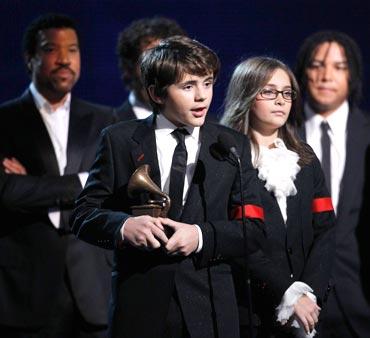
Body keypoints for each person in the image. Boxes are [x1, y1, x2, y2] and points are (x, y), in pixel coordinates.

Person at [71, 36, 265, 338]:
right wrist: (124, 226)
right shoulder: (120, 139)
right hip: (140, 305)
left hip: (210, 307)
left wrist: (200, 236)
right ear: (156, 93)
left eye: (208, 83)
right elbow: (83, 214)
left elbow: (254, 229)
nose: (202, 96)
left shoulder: (230, 145)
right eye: (188, 87)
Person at [0, 13, 116, 337]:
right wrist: (85, 180)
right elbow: (7, 191)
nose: (64, 59)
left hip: (94, 290)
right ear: (30, 58)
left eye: (73, 50)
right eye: (52, 49)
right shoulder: (5, 120)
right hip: (24, 293)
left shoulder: (105, 118)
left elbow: (114, 189)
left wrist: (33, 184)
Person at [221, 56, 336, 337]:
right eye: (269, 92)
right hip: (249, 312)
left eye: (287, 93)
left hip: (305, 312)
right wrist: (287, 292)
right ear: (246, 95)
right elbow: (237, 240)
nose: (281, 101)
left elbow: (325, 230)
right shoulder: (225, 158)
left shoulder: (305, 159)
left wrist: (308, 294)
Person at [295, 30, 370, 338]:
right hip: (296, 301)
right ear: (302, 73)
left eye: (339, 67)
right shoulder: (278, 133)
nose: (326, 76)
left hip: (362, 300)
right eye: (316, 65)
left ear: (352, 75)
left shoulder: (367, 135)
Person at [115, 16, 186, 121]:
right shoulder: (106, 126)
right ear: (129, 68)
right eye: (152, 60)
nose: (162, 70)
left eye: (169, 60)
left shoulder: (210, 129)